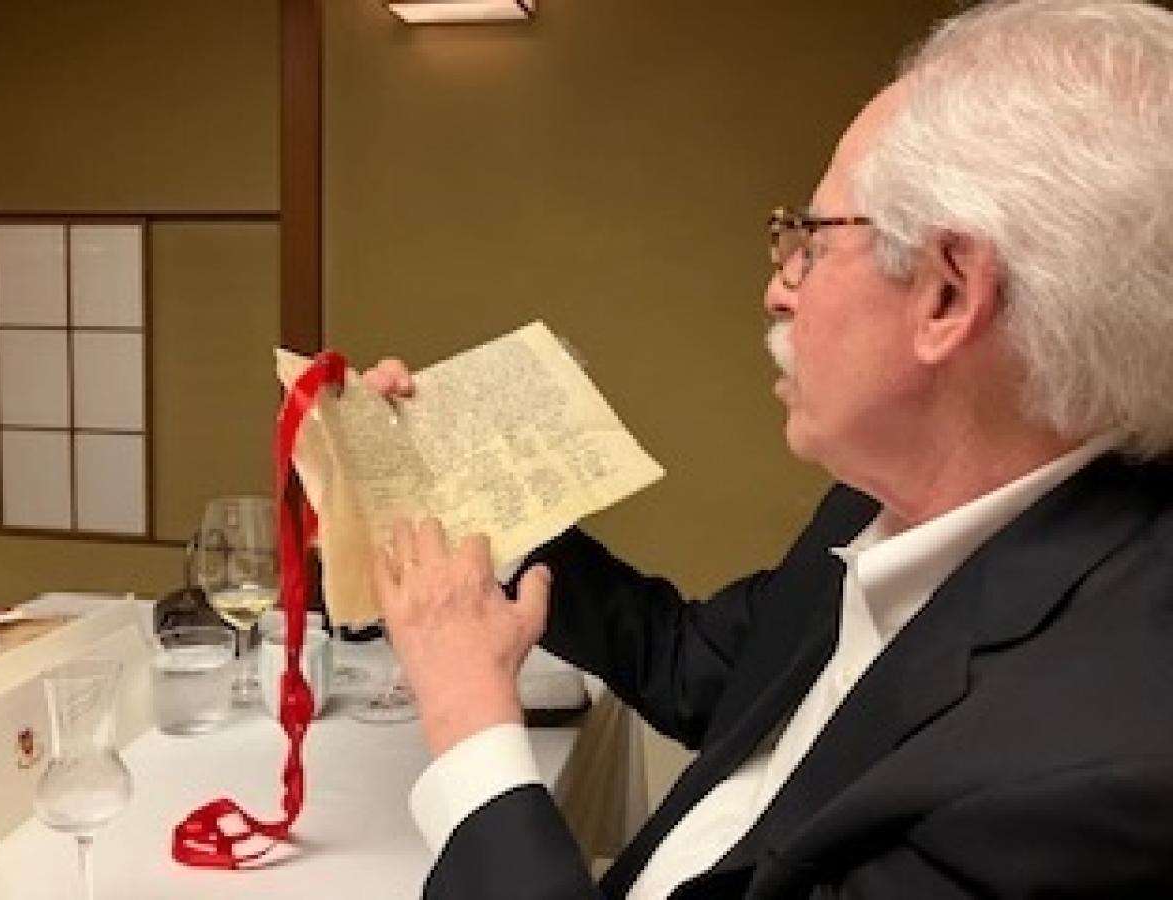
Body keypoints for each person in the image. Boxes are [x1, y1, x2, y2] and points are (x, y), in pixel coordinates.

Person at [364, 1, 1173, 896]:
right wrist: (458, 481)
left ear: (947, 295)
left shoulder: (1095, 777)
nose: (779, 289)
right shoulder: (886, 505)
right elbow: (688, 664)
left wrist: (472, 730)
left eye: (812, 242)